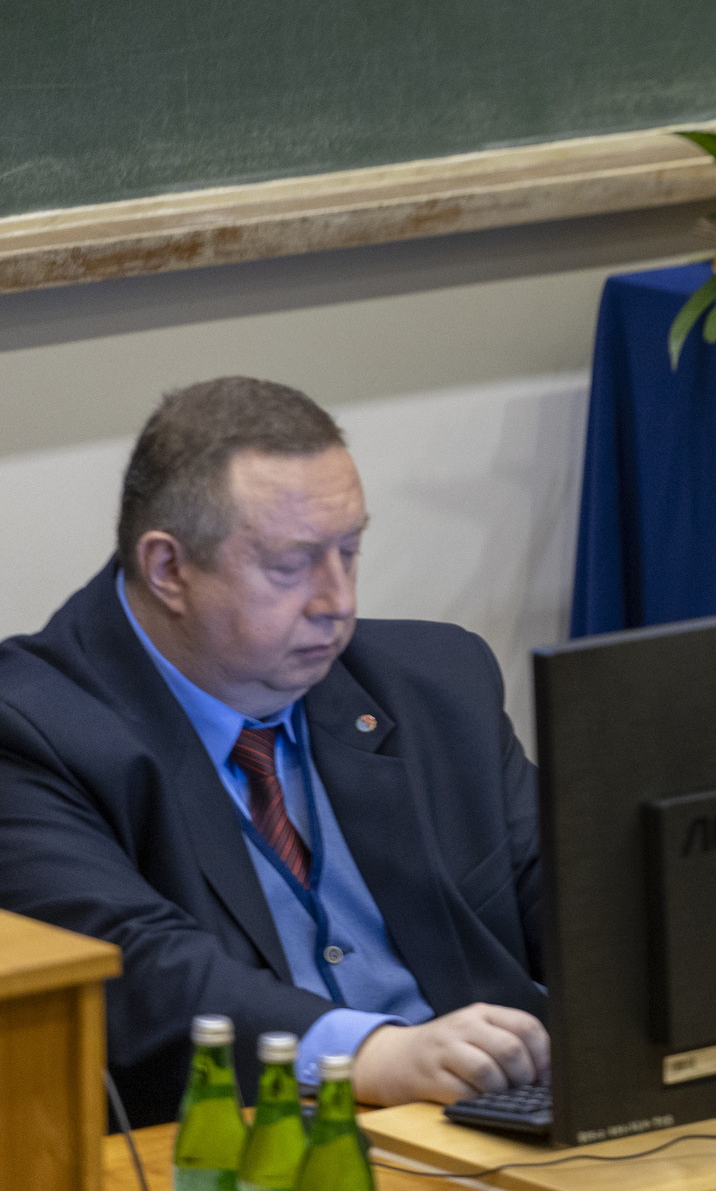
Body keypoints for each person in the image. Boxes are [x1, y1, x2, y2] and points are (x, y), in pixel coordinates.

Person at [0, 377, 548, 1126]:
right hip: (241, 1139)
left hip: (491, 1123)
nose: (337, 601)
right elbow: (136, 973)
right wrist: (371, 1053)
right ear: (168, 569)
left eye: (349, 550)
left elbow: (576, 894)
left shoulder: (437, 685)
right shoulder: (31, 731)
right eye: (292, 566)